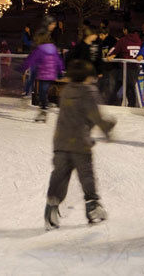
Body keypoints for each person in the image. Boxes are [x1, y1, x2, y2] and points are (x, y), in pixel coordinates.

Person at [44, 60, 116, 230]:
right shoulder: (89, 92)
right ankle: (92, 208)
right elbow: (94, 115)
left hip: (60, 141)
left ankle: (51, 209)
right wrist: (107, 128)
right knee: (86, 175)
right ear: (88, 76)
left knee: (59, 176)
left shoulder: (66, 90)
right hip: (79, 143)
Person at [22, 30, 64, 122]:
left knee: (42, 92)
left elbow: (31, 59)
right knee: (43, 91)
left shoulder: (40, 49)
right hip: (51, 74)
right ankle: (44, 107)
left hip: (43, 74)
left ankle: (44, 110)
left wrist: (24, 67)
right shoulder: (53, 48)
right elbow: (58, 61)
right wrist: (60, 71)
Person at [105, 25, 142, 107]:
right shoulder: (139, 40)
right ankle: (113, 103)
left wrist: (110, 55)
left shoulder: (123, 40)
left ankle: (114, 104)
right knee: (126, 86)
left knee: (126, 87)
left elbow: (114, 50)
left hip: (126, 68)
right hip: (135, 67)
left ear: (126, 30)